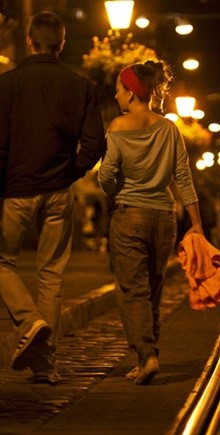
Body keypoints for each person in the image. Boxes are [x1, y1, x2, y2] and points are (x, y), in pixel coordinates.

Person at [0, 11, 106, 384]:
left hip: (17, 190)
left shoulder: (7, 84)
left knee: (2, 260)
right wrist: (71, 171)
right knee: (52, 275)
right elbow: (95, 143)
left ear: (30, 41)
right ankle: (46, 364)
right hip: (59, 191)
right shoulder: (80, 85)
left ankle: (29, 321)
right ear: (61, 44)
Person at [97, 60, 203, 385]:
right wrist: (196, 224)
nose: (115, 95)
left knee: (132, 291)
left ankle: (146, 355)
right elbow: (183, 177)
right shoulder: (170, 129)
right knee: (154, 289)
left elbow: (106, 176)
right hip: (164, 218)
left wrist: (115, 192)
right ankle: (149, 354)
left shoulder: (117, 128)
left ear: (131, 93)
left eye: (118, 89)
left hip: (130, 215)